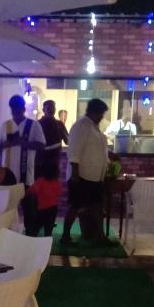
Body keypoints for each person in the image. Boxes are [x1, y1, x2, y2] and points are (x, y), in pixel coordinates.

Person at [62, 98, 109, 243]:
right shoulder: (81, 125)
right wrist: (75, 173)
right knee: (75, 206)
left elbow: (96, 148)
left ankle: (100, 236)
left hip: (94, 177)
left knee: (97, 206)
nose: (102, 117)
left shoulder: (94, 127)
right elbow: (74, 150)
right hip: (81, 175)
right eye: (101, 114)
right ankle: (65, 236)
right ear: (93, 112)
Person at [0, 94, 45, 187]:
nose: (15, 110)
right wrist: (6, 144)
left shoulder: (34, 125)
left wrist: (24, 143)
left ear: (23, 109)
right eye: (13, 108)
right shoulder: (5, 125)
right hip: (6, 176)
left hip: (26, 176)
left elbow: (42, 145)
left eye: (18, 107)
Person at [24, 160, 62, 237]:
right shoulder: (57, 182)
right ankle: (47, 243)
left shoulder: (41, 181)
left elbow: (30, 191)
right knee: (48, 231)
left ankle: (32, 241)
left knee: (35, 229)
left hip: (42, 210)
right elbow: (58, 194)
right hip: (53, 209)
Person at [36, 99, 69, 176]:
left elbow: (68, 141)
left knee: (54, 181)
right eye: (48, 109)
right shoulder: (38, 124)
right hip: (41, 161)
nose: (51, 111)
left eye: (53, 108)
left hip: (55, 161)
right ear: (43, 110)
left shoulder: (59, 124)